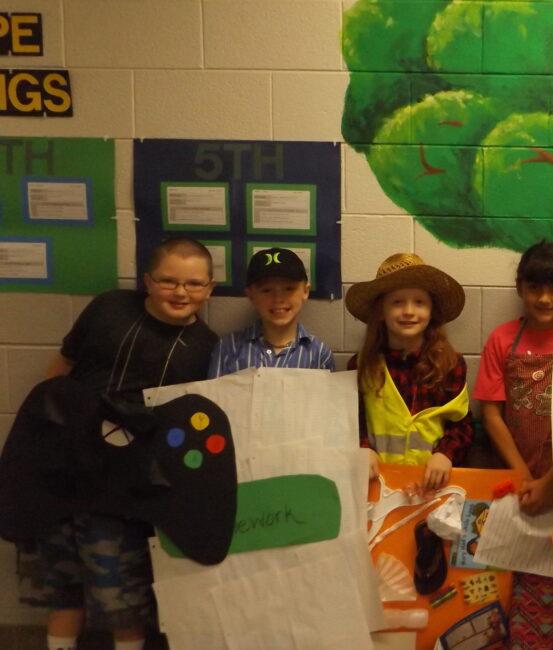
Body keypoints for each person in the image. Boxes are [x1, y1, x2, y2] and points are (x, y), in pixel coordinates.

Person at [17, 237, 218, 650]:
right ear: (148, 280)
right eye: (168, 281)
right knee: (63, 590)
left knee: (123, 600)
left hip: (122, 488)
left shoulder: (205, 348)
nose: (180, 292)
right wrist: (42, 433)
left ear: (210, 288)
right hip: (63, 471)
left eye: (194, 284)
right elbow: (61, 369)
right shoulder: (109, 307)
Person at [473, 240, 553, 649]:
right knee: (511, 584)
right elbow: (491, 413)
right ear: (519, 288)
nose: (545, 299)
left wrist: (550, 481)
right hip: (514, 485)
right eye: (535, 288)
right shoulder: (501, 340)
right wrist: (523, 474)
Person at [345, 252, 473, 490]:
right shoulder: (361, 366)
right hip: (378, 486)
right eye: (397, 302)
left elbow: (461, 424)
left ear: (432, 310)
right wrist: (363, 450)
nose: (409, 311)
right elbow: (352, 422)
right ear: (381, 311)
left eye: (419, 302)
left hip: (431, 488)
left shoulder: (450, 364)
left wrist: (445, 454)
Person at [207, 247, 333, 377]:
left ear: (305, 291)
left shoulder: (319, 354)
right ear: (251, 295)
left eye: (289, 289)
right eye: (266, 290)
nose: (278, 299)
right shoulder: (228, 348)